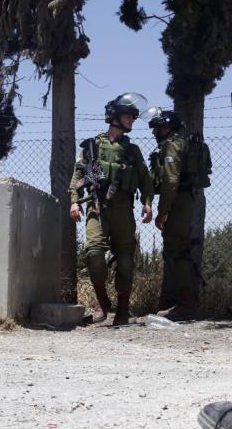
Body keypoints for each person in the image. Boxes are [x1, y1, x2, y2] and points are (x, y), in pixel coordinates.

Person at [69, 93, 154, 326]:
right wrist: (74, 201)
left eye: (133, 117)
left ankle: (123, 309)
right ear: (115, 117)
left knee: (126, 261)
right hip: (97, 206)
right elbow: (78, 175)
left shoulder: (132, 150)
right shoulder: (93, 147)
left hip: (124, 208)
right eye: (128, 116)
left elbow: (145, 180)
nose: (132, 120)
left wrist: (147, 203)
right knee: (94, 253)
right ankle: (102, 301)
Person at [146, 108, 197, 320]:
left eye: (158, 128)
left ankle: (186, 305)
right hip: (183, 199)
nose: (155, 132)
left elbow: (170, 181)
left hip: (178, 202)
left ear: (168, 127)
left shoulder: (171, 145)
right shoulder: (180, 143)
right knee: (178, 250)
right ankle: (184, 302)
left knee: (177, 251)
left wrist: (163, 212)